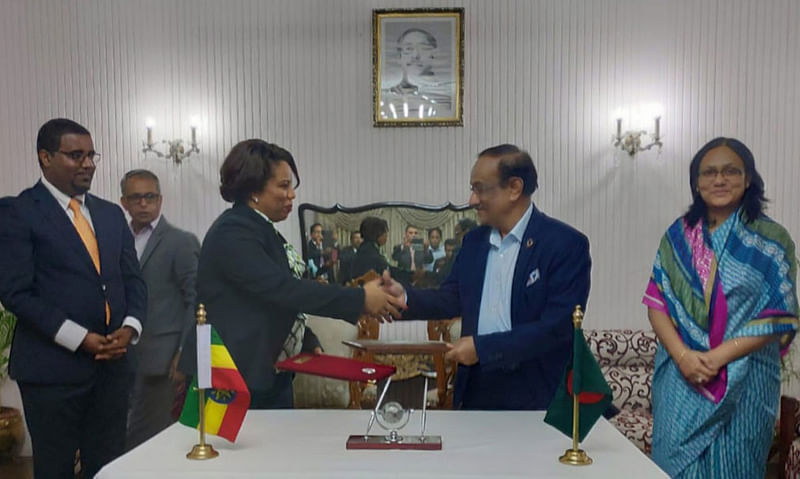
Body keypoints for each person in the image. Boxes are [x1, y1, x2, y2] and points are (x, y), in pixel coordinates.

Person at [180, 139, 404, 409]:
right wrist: (360, 298)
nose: (291, 195)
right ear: (254, 190)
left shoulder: (260, 229)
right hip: (232, 376)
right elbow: (282, 289)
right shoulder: (233, 232)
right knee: (237, 452)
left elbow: (267, 302)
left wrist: (303, 338)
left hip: (269, 372)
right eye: (283, 186)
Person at [381, 144, 591, 410]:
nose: (472, 200)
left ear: (514, 188)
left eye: (480, 188)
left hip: (538, 392)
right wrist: (406, 296)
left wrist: (483, 348)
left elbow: (558, 327)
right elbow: (452, 297)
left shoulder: (564, 244)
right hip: (477, 386)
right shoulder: (474, 242)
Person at [643, 137, 798, 478]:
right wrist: (685, 357)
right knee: (674, 467)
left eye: (731, 171)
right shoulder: (678, 236)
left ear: (748, 180)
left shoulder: (772, 241)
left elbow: (779, 312)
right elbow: (657, 303)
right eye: (709, 172)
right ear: (696, 183)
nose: (719, 179)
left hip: (747, 378)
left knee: (736, 465)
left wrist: (716, 358)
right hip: (681, 377)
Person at [0, 118, 147, 478]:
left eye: (91, 155)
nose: (88, 164)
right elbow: (15, 292)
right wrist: (79, 338)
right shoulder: (18, 211)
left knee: (110, 466)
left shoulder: (111, 214)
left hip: (111, 369)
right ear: (45, 158)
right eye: (75, 155)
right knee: (55, 469)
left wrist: (130, 328)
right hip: (52, 371)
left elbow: (134, 280)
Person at [119, 169, 200, 451]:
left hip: (165, 362)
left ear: (160, 200)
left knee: (155, 442)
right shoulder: (117, 241)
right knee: (127, 438)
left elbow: (197, 300)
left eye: (149, 197)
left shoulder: (181, 241)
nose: (143, 203)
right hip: (122, 359)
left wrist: (184, 352)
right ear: (124, 202)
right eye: (136, 197)